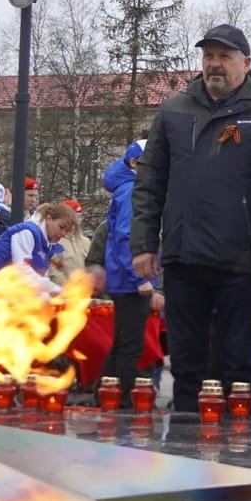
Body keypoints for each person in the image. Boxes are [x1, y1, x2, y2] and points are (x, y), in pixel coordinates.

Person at [132, 24, 251, 415]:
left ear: (247, 62)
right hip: (183, 257)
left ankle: (246, 460)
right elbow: (150, 182)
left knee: (240, 368)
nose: (215, 65)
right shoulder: (174, 111)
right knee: (187, 367)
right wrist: (142, 244)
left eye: (224, 56)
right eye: (209, 56)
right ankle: (187, 458)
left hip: (241, 263)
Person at [101, 139, 157, 407]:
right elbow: (127, 237)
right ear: (136, 163)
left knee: (124, 341)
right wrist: (141, 278)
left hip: (124, 278)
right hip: (130, 280)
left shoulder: (127, 188)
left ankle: (108, 393)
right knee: (130, 344)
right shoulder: (132, 191)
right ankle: (120, 399)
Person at [0, 201, 79, 296]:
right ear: (48, 219)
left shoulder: (46, 244)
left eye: (67, 231)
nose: (63, 233)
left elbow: (37, 279)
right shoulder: (26, 232)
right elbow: (22, 270)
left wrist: (48, 296)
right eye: (61, 227)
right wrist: (56, 290)